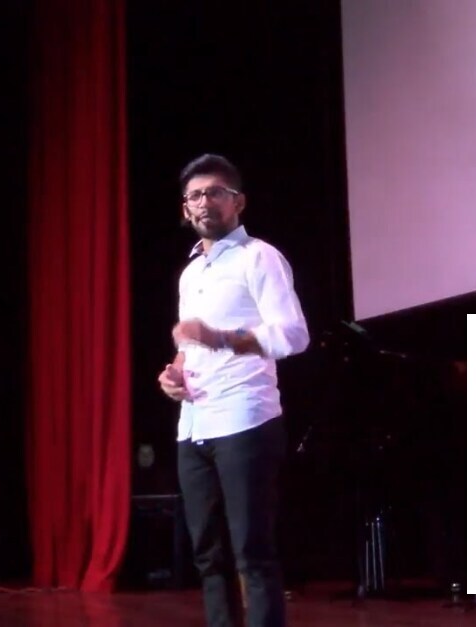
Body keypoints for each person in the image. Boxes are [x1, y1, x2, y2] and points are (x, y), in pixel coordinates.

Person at [157, 154, 309, 627]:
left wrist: (221, 338)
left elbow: (293, 335)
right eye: (195, 195)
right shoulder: (191, 274)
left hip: (245, 419)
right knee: (208, 556)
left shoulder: (259, 257)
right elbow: (189, 346)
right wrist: (174, 373)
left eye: (215, 192)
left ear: (238, 202)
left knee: (252, 552)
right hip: (194, 424)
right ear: (185, 209)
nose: (205, 202)